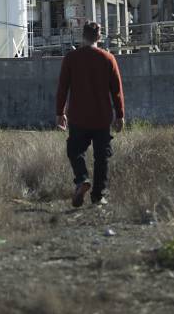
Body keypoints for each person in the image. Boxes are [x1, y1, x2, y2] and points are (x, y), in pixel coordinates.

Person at [55, 21, 125, 207]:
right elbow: (116, 90)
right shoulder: (108, 58)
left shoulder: (71, 58)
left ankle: (81, 180)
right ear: (99, 37)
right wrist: (120, 115)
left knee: (75, 151)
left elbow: (63, 88)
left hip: (78, 116)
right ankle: (98, 196)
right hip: (101, 117)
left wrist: (59, 112)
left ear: (82, 36)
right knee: (102, 157)